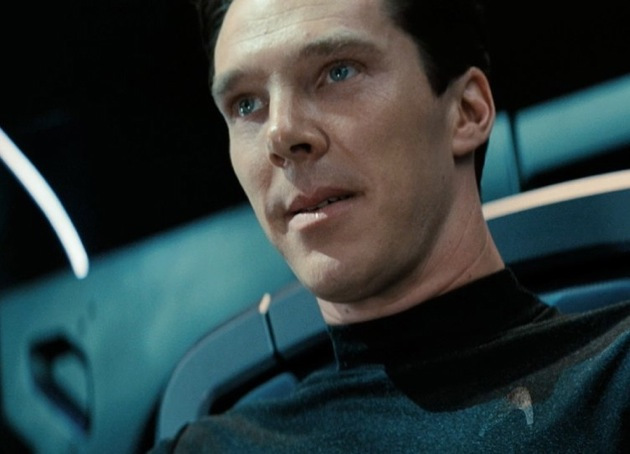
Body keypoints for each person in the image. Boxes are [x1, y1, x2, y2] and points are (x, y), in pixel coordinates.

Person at [150, 0, 630, 452]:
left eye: (338, 72)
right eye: (245, 105)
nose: (280, 134)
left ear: (467, 112)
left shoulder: (614, 384)